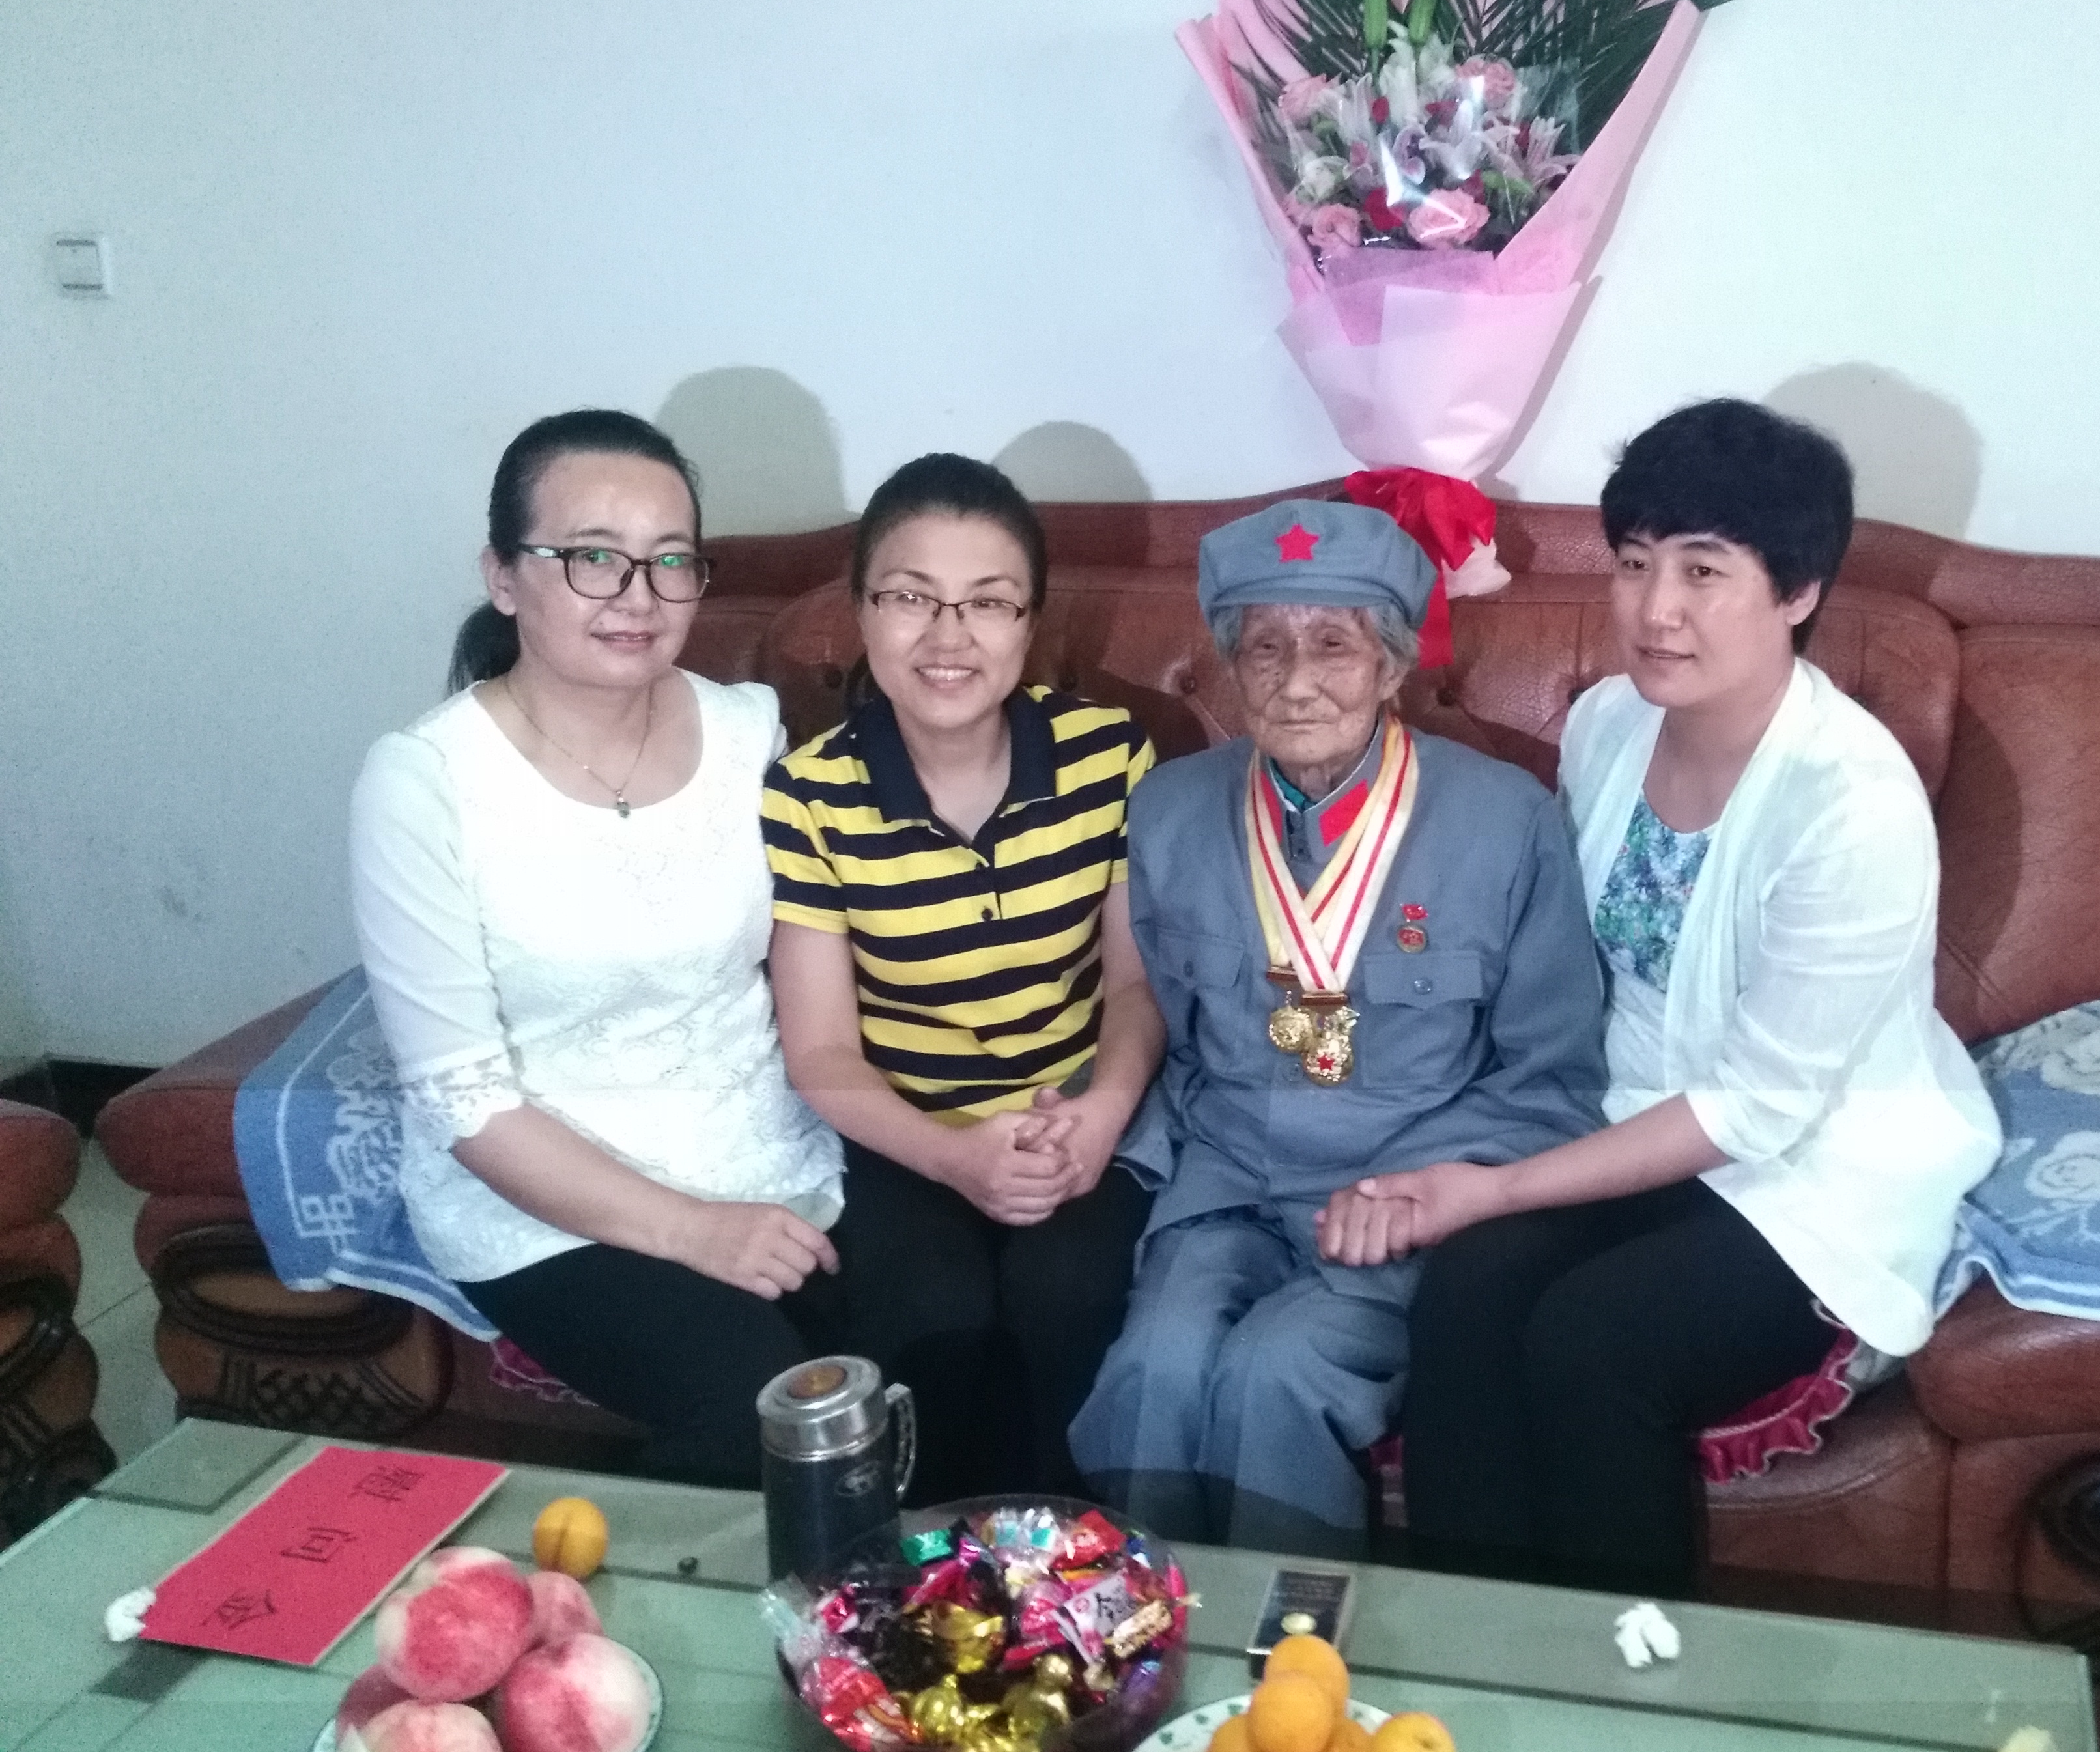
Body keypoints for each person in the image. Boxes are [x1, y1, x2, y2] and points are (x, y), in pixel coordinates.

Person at [1327, 399, 2004, 1595]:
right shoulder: (1609, 723)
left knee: (1599, 1341)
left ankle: (1633, 1679)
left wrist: (1499, 1185)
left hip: (1807, 1161)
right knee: (1469, 1290)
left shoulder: (1850, 806)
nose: (1655, 611)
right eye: (1635, 564)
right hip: (1621, 1112)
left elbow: (1758, 1108)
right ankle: (1466, 1656)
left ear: (1798, 591)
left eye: (1704, 571)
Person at [351, 408, 883, 1488]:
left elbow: (834, 957)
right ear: (504, 576)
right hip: (547, 1205)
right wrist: (696, 1232)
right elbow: (463, 1101)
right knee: (763, 1415)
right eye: (593, 558)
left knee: (945, 1339)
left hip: (774, 1154)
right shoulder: (424, 782)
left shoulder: (748, 734)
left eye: (671, 561)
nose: (638, 596)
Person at [1070, 499, 1606, 1557]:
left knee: (1277, 1376)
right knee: (1152, 1369)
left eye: (1333, 645)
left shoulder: (1508, 821)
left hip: (1400, 1199)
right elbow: (1152, 1015)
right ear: (1230, 665)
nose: (1296, 681)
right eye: (1264, 647)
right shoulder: (1168, 811)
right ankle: (1135, 1629)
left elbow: (1553, 1079)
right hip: (1224, 1188)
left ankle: (1292, 1643)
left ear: (1393, 666)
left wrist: (1423, 1191)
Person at [765, 455, 1161, 1501]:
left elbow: (1136, 986)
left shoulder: (1108, 756)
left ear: (1031, 622)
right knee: (930, 1315)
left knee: (1070, 1292)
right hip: (904, 1130)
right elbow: (821, 1050)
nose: (949, 636)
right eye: (910, 598)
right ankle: (928, 1571)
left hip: (1075, 1116)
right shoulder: (810, 794)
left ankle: (1074, 1564)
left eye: (988, 602)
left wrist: (1102, 1113)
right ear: (861, 611)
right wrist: (952, 1157)